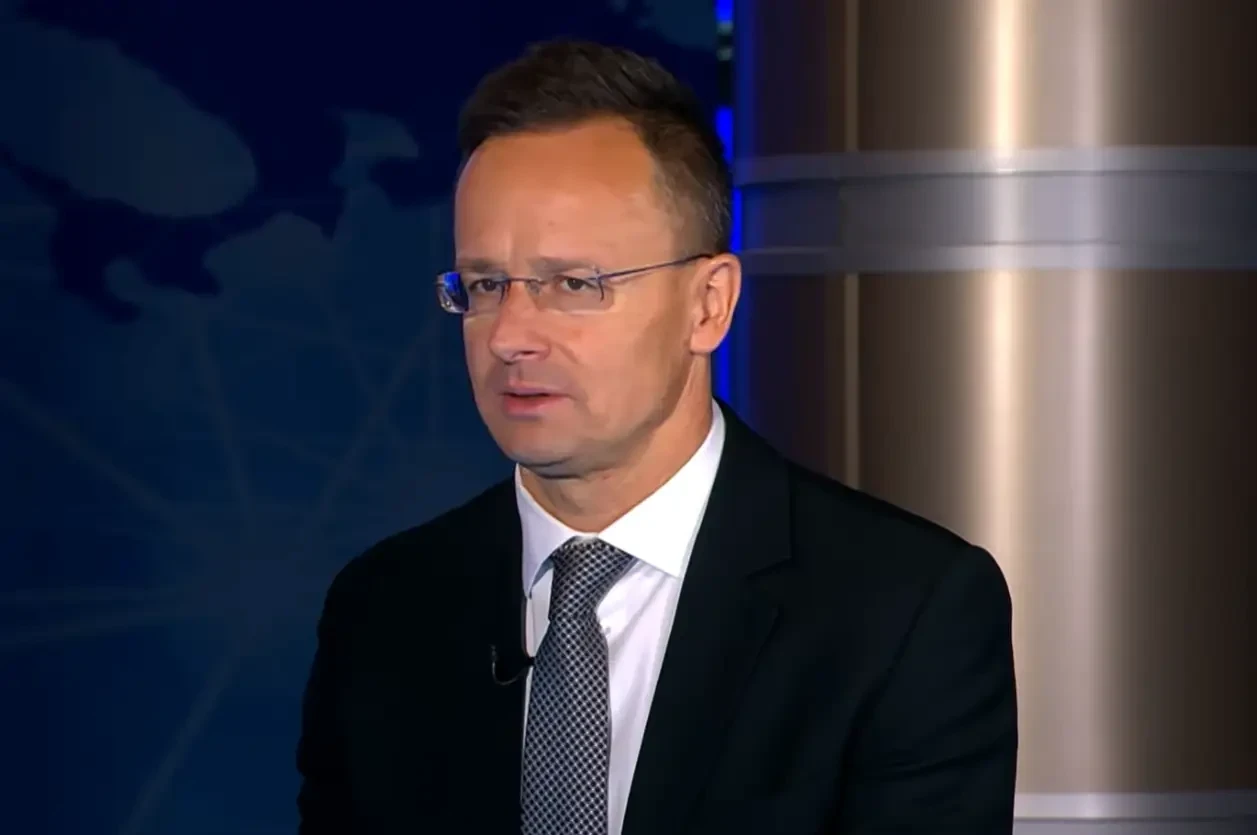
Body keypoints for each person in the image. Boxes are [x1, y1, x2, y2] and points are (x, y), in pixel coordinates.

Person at [295, 39, 1018, 835]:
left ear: (708, 305)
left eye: (575, 284)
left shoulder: (902, 610)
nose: (509, 335)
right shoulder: (384, 608)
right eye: (486, 285)